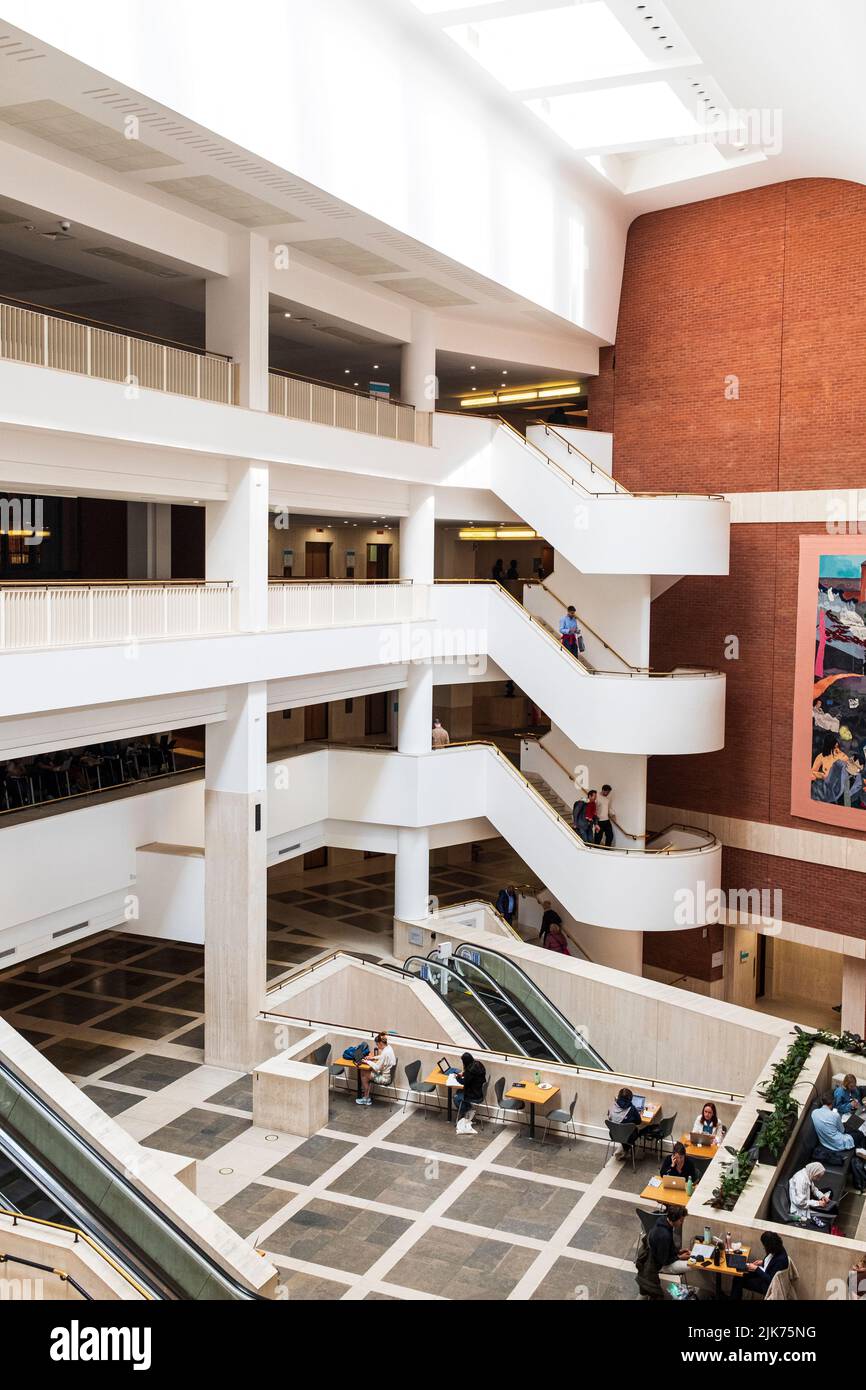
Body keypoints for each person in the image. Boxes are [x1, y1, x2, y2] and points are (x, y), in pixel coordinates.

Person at [812, 1090, 866, 1165]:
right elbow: (842, 1131)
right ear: (832, 1103)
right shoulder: (835, 1115)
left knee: (852, 1125)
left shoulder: (814, 1112)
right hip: (838, 1144)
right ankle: (862, 1155)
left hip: (824, 1142)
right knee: (860, 1134)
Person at [731, 1231, 789, 1300]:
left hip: (767, 1285)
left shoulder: (780, 1260)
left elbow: (771, 1280)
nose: (764, 1248)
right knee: (739, 1274)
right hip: (764, 1271)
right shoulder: (778, 1248)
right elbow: (771, 1262)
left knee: (738, 1280)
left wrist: (756, 1269)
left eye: (764, 1246)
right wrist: (762, 1262)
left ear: (769, 1246)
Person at [648, 1206, 692, 1277]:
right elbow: (663, 1261)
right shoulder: (664, 1236)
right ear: (674, 1219)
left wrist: (678, 1251)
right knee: (693, 1265)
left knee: (692, 1261)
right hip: (660, 1266)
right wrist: (679, 1257)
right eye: (681, 1220)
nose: (682, 1223)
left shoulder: (663, 1221)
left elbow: (667, 1248)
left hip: (660, 1257)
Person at [357, 1031, 396, 1105]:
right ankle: (367, 1096)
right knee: (367, 1071)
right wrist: (372, 1058)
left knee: (363, 1073)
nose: (377, 1046)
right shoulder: (389, 1048)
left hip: (385, 1079)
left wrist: (366, 1061)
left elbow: (377, 1068)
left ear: (381, 1043)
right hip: (389, 1076)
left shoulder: (385, 1053)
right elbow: (382, 1057)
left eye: (377, 1044)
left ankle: (366, 1098)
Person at [455, 1051, 486, 1135]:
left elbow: (463, 1082)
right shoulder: (478, 1064)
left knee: (456, 1097)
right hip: (479, 1092)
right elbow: (471, 1077)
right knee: (459, 1092)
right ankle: (468, 1109)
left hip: (473, 1095)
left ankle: (466, 1111)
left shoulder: (469, 1071)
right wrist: (464, 1073)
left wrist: (457, 1077)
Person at [608, 1087, 642, 1159]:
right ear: (630, 1098)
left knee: (624, 1129)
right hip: (628, 1137)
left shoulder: (613, 1107)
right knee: (633, 1130)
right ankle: (628, 1151)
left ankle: (625, 1151)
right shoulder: (632, 1109)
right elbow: (639, 1122)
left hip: (613, 1135)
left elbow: (610, 1118)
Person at [596, 783, 616, 848]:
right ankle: (595, 849)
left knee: (610, 836)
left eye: (609, 792)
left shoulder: (607, 799)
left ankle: (607, 849)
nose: (608, 793)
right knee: (598, 837)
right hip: (599, 821)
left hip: (606, 820)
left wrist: (612, 813)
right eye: (607, 792)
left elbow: (607, 808)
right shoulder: (597, 797)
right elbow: (594, 809)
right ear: (603, 790)